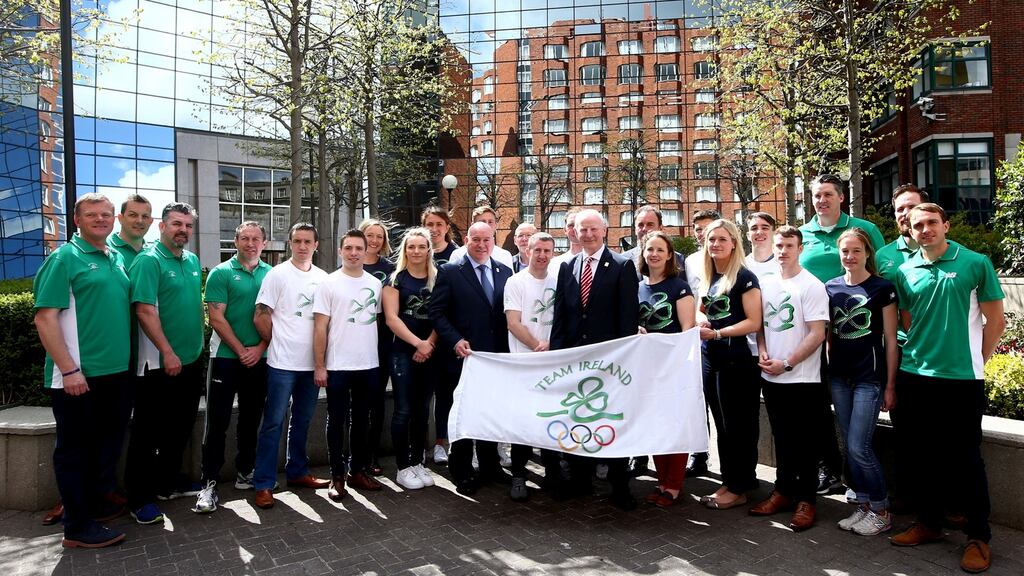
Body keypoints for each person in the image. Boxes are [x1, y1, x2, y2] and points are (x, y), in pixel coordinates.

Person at [889, 203, 1005, 574]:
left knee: (967, 460)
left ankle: (978, 536)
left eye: (931, 223)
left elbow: (996, 320)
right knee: (921, 457)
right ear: (910, 231)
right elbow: (910, 322)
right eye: (917, 225)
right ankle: (929, 524)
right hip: (914, 375)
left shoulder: (974, 263)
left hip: (961, 380)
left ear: (946, 225)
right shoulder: (905, 271)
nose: (925, 229)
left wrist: (976, 360)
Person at [33, 193, 132, 548]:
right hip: (79, 376)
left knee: (106, 445)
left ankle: (99, 504)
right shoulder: (64, 259)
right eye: (92, 214)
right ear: (77, 220)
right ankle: (76, 526)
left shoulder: (115, 257)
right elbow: (45, 319)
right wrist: (69, 370)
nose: (101, 219)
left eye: (106, 214)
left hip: (115, 374)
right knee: (75, 452)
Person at [799, 175, 885, 495]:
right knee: (820, 404)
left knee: (856, 413)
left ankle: (859, 479)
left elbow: (881, 271)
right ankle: (831, 469)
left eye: (827, 195)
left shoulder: (863, 229)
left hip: (854, 332)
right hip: (813, 333)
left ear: (841, 197)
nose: (821, 200)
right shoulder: (803, 234)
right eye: (816, 195)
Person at [551, 209, 640, 510]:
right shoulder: (568, 267)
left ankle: (619, 483)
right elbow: (561, 316)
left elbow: (628, 319)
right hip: (575, 360)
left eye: (592, 229)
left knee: (610, 421)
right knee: (577, 419)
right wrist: (558, 354)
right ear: (573, 232)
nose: (587, 234)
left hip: (610, 362)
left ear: (604, 230)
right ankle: (580, 479)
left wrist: (620, 358)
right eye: (581, 229)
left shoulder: (622, 265)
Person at [123, 202, 204, 525]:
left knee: (179, 427)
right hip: (158, 363)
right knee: (147, 433)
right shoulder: (148, 261)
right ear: (162, 225)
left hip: (191, 360)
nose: (182, 230)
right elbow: (144, 310)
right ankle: (139, 498)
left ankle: (168, 484)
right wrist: (167, 351)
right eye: (176, 224)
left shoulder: (192, 260)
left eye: (187, 225)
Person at [750, 226, 828, 531]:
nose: (782, 251)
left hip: (803, 379)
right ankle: (782, 491)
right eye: (779, 245)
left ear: (800, 248)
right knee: (781, 439)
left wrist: (787, 363)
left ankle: (806, 500)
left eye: (789, 246)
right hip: (772, 376)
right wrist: (764, 353)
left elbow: (817, 334)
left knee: (805, 443)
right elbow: (761, 327)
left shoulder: (811, 285)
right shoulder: (766, 283)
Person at [429, 221, 514, 495]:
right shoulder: (451, 271)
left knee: (490, 414)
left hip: (494, 360)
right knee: (464, 416)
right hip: (461, 359)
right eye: (475, 239)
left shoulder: (504, 272)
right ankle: (462, 470)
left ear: (494, 240)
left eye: (486, 240)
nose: (481, 245)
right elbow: (437, 313)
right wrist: (454, 340)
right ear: (466, 240)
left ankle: (491, 466)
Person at [193, 221, 272, 514]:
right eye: (245, 238)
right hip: (226, 358)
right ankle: (209, 484)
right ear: (235, 241)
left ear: (264, 243)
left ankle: (245, 473)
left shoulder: (271, 275)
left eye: (256, 239)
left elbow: (278, 318)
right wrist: (241, 351)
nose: (251, 243)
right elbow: (217, 319)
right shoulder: (221, 273)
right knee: (217, 422)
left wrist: (260, 349)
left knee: (251, 419)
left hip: (261, 359)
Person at [251, 223, 331, 510]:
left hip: (312, 365)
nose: (302, 246)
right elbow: (261, 315)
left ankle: (297, 471)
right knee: (273, 423)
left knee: (303, 420)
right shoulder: (277, 275)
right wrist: (278, 341)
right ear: (290, 243)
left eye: (307, 241)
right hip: (282, 364)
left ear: (316, 245)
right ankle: (263, 483)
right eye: (297, 241)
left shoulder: (323, 278)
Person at [826, 228, 898, 536]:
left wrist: (890, 385)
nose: (850, 257)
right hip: (839, 379)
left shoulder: (882, 287)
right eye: (845, 251)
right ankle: (865, 505)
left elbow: (892, 341)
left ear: (867, 252)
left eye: (856, 251)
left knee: (859, 447)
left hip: (869, 379)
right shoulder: (830, 287)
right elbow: (829, 335)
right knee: (848, 445)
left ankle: (881, 509)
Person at [312, 230, 385, 501]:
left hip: (368, 365)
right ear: (341, 251)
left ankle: (357, 471)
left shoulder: (375, 284)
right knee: (336, 421)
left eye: (359, 248)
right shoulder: (328, 284)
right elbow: (320, 327)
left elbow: (376, 321)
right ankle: (337, 475)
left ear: (366, 251)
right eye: (349, 247)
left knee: (362, 421)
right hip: (337, 365)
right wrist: (320, 365)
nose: (354, 252)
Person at [696, 219, 762, 510]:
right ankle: (729, 481)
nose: (716, 245)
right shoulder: (709, 276)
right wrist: (701, 321)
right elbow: (701, 310)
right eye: (711, 240)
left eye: (722, 239)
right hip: (711, 358)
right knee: (722, 426)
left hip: (737, 361)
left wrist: (720, 332)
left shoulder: (745, 277)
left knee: (739, 427)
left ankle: (740, 487)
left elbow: (754, 321)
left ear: (734, 242)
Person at [636, 231, 695, 508]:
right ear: (643, 253)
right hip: (647, 368)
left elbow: (687, 329)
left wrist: (679, 362)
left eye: (660, 250)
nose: (654, 255)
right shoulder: (637, 287)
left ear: (670, 255)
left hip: (673, 367)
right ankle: (661, 482)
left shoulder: (679, 287)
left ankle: (673, 485)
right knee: (656, 425)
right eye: (650, 249)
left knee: (675, 425)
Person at [503, 231, 559, 502]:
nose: (542, 256)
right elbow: (513, 322)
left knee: (553, 418)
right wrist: (538, 344)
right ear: (528, 251)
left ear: (553, 253)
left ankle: (554, 473)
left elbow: (565, 319)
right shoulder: (515, 282)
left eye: (547, 251)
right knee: (523, 423)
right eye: (537, 250)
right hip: (524, 363)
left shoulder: (560, 281)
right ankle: (518, 475)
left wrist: (551, 345)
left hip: (553, 363)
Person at [384, 228, 440, 491]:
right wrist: (417, 343)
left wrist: (429, 343)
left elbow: (443, 314)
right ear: (405, 250)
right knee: (404, 410)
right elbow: (392, 319)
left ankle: (419, 461)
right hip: (403, 353)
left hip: (431, 351)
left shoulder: (439, 278)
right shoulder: (396, 280)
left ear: (429, 249)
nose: (416, 251)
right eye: (411, 247)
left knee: (422, 411)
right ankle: (403, 466)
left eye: (421, 246)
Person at [683, 209, 719, 477]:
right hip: (696, 335)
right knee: (697, 397)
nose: (702, 233)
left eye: (706, 227)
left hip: (725, 336)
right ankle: (699, 453)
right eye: (697, 229)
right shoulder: (691, 261)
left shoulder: (730, 259)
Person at [421, 205, 458, 463]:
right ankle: (424, 445)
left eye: (439, 224)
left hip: (447, 335)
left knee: (448, 392)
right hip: (418, 335)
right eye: (429, 224)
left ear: (447, 227)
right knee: (422, 395)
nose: (434, 229)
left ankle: (444, 441)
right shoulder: (417, 251)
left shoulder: (457, 256)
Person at [360, 218, 395, 477]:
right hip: (353, 344)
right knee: (356, 404)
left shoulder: (391, 269)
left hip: (382, 343)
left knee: (377, 401)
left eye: (379, 237)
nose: (374, 241)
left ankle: (372, 455)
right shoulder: (351, 264)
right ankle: (354, 455)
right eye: (369, 235)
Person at [622, 205, 684, 271]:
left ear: (660, 228)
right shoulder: (624, 259)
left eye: (650, 225)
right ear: (635, 229)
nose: (644, 229)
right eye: (640, 225)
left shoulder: (677, 259)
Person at [449, 205, 515, 268]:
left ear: (496, 225)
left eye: (490, 222)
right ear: (472, 225)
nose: (486, 225)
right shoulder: (458, 255)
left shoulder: (505, 256)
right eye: (482, 222)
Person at [107, 194, 153, 269]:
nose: (139, 221)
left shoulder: (154, 253)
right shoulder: (104, 247)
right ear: (120, 218)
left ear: (150, 221)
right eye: (133, 215)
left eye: (145, 216)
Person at [548, 207, 583, 271]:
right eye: (571, 225)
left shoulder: (597, 260)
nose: (575, 229)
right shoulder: (554, 264)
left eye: (579, 224)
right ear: (565, 230)